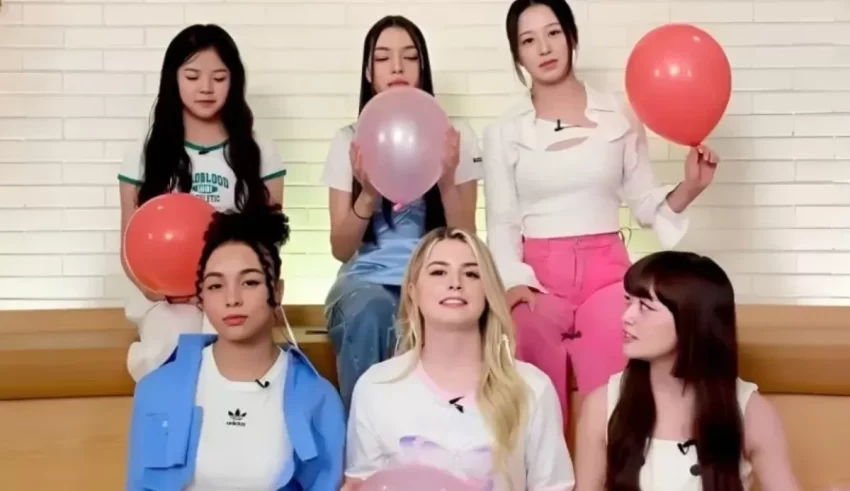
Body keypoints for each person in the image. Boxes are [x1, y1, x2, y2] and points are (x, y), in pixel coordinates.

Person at [483, 0, 720, 423]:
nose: (544, 47)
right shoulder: (502, 132)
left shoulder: (621, 113)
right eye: (528, 40)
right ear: (516, 54)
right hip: (538, 275)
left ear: (572, 37)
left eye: (554, 32)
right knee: (527, 345)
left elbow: (646, 204)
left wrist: (691, 186)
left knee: (621, 339)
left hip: (607, 270)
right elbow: (502, 222)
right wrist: (515, 284)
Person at [321, 15, 482, 410]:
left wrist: (445, 179)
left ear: (422, 67)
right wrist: (369, 192)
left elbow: (468, 241)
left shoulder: (453, 138)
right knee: (373, 311)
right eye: (383, 58)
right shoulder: (349, 140)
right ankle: (364, 447)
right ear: (368, 70)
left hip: (435, 277)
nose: (397, 67)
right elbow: (341, 248)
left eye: (409, 57)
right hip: (365, 282)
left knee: (447, 314)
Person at [125, 206, 345, 491]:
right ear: (201, 297)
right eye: (216, 285)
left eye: (249, 282)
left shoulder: (318, 398)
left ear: (276, 291)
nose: (232, 299)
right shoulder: (156, 390)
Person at [342, 227, 575, 491]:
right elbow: (363, 483)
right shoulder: (375, 388)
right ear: (412, 292)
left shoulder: (533, 387)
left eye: (472, 273)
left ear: (488, 293)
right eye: (439, 272)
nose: (456, 283)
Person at [118, 24, 287, 382]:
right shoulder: (144, 153)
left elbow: (271, 237)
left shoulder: (259, 150)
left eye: (219, 77)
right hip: (167, 298)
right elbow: (130, 245)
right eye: (192, 76)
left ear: (234, 81)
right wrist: (160, 289)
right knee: (172, 349)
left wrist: (232, 287)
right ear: (173, 79)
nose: (206, 88)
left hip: (235, 291)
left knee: (232, 349)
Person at [575, 251, 800, 491]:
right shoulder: (603, 406)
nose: (626, 317)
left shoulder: (751, 411)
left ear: (692, 319)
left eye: (645, 306)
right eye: (628, 301)